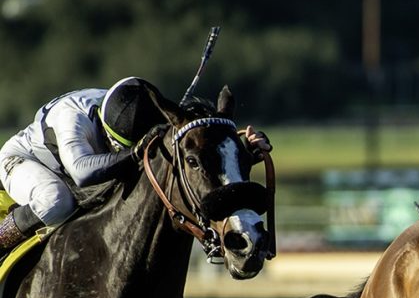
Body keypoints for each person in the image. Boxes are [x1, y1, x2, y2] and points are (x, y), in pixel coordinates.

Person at [0, 76, 272, 254]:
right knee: (56, 201)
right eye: (116, 145)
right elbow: (82, 172)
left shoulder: (140, 108)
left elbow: (193, 145)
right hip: (26, 162)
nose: (120, 151)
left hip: (69, 167)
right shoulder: (71, 118)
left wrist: (241, 150)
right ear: (104, 127)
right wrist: (133, 154)